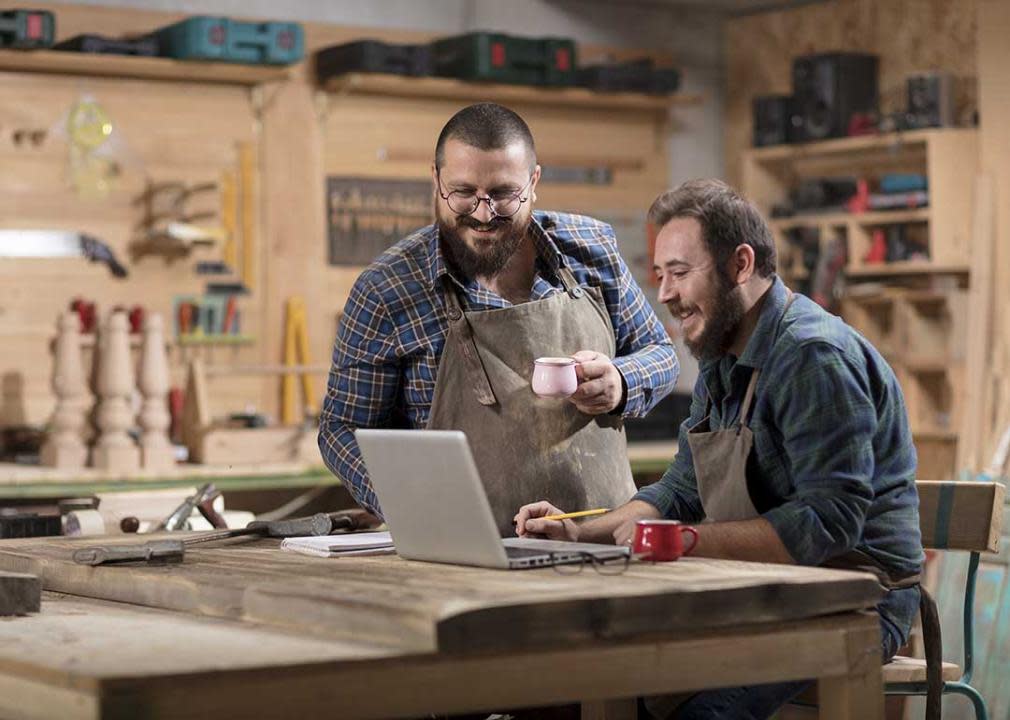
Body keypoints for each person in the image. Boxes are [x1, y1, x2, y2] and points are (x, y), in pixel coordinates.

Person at [516, 179, 924, 720]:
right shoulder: (723, 356)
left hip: (857, 598)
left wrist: (683, 542)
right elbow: (682, 489)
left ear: (740, 265)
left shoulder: (813, 357)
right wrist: (577, 532)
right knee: (580, 684)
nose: (663, 293)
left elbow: (829, 522)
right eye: (660, 275)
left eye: (681, 273)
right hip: (770, 589)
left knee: (697, 713)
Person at [319, 102, 679, 535]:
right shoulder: (387, 290)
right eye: (464, 193)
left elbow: (661, 355)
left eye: (504, 194)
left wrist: (622, 381)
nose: (484, 213)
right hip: (462, 548)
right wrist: (408, 500)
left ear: (534, 182)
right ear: (436, 182)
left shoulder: (592, 250)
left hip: (599, 539)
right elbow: (342, 429)